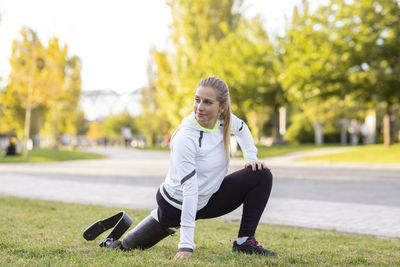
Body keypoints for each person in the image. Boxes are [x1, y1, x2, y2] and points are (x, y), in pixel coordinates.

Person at [108, 76, 275, 259]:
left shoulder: (224, 120)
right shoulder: (185, 138)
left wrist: (251, 159)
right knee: (126, 246)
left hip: (207, 200)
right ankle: (119, 241)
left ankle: (245, 242)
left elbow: (242, 128)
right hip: (175, 205)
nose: (200, 107)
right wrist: (186, 245)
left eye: (207, 102)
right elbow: (189, 189)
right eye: (197, 100)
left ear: (222, 107)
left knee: (261, 175)